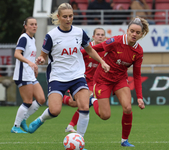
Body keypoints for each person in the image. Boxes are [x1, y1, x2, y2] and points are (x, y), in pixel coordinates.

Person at [28, 3, 110, 149]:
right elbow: (43, 55)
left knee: (84, 106)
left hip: (77, 75)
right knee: (55, 111)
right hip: (57, 76)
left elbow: (90, 50)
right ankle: (40, 119)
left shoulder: (79, 32)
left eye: (70, 16)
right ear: (58, 17)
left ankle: (80, 141)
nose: (68, 19)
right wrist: (40, 60)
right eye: (65, 16)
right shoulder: (51, 35)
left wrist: (102, 61)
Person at [89, 16, 148, 147]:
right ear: (127, 30)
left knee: (127, 108)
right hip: (103, 79)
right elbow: (96, 48)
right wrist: (78, 52)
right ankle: (92, 100)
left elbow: (137, 76)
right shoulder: (115, 41)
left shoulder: (138, 52)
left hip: (120, 79)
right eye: (132, 31)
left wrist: (139, 97)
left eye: (137, 32)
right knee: (105, 116)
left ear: (141, 34)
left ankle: (124, 140)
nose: (134, 34)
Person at [63, 28, 106, 133]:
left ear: (105, 37)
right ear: (93, 36)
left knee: (86, 102)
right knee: (74, 103)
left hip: (93, 82)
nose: (100, 36)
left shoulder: (105, 50)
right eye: (98, 34)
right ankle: (59, 98)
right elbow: (74, 58)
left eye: (102, 35)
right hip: (80, 78)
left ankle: (71, 126)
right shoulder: (87, 49)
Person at [11, 17, 46, 133]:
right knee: (28, 101)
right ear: (25, 26)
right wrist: (30, 63)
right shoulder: (24, 38)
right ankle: (16, 127)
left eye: (36, 24)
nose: (34, 26)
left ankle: (23, 119)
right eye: (31, 24)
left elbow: (28, 56)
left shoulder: (32, 39)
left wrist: (35, 63)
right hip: (22, 74)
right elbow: (17, 54)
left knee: (41, 99)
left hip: (30, 74)